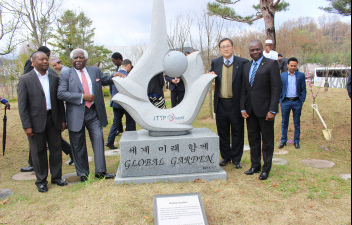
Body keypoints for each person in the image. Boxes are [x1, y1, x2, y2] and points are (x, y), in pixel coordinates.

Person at [58, 48, 119, 182]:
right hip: (75, 115)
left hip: (94, 113)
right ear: (71, 60)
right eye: (75, 58)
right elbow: (61, 94)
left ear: (85, 59)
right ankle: (83, 174)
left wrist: (115, 76)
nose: (78, 60)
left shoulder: (94, 71)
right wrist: (82, 96)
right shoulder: (66, 74)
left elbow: (105, 80)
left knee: (98, 141)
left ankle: (101, 172)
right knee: (78, 145)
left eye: (81, 57)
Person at [18, 51, 68, 192]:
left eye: (46, 59)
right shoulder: (25, 79)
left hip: (53, 119)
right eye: (41, 59)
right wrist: (26, 125)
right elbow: (22, 106)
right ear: (33, 61)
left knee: (56, 149)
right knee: (38, 151)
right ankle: (41, 181)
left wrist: (63, 120)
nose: (45, 62)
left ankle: (57, 177)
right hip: (35, 122)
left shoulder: (54, 78)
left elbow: (59, 102)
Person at [241, 40, 281, 180]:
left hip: (266, 111)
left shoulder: (271, 64)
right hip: (250, 111)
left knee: (267, 141)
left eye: (257, 49)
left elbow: (276, 89)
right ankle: (255, 165)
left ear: (262, 49)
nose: (255, 52)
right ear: (249, 51)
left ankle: (266, 169)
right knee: (253, 139)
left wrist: (273, 110)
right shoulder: (246, 66)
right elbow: (244, 89)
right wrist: (242, 108)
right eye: (252, 50)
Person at [209, 38, 249, 168]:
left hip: (236, 104)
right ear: (220, 49)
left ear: (233, 47)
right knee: (223, 132)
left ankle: (236, 158)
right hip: (221, 103)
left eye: (228, 46)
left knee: (237, 132)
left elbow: (246, 85)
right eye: (223, 47)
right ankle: (225, 156)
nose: (226, 49)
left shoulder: (243, 62)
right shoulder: (215, 62)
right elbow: (212, 76)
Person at [106, 59, 136, 149]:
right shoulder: (129, 76)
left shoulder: (114, 75)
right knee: (130, 122)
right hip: (126, 103)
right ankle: (132, 141)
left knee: (116, 122)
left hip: (116, 102)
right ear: (129, 65)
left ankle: (110, 141)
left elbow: (111, 90)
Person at [279, 58, 307, 150]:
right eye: (291, 65)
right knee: (284, 122)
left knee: (297, 122)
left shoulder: (301, 75)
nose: (293, 67)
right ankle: (283, 140)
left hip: (297, 102)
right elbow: (279, 88)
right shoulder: (282, 76)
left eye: (295, 66)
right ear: (287, 65)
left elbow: (303, 89)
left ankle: (296, 141)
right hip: (285, 101)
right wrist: (280, 100)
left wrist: (302, 100)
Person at [110, 52, 124, 135]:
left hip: (123, 96)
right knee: (117, 117)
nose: (114, 63)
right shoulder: (117, 69)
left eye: (114, 61)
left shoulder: (127, 68)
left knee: (118, 117)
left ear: (118, 60)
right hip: (117, 97)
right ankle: (120, 128)